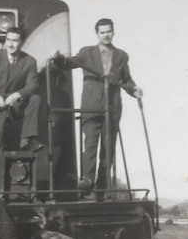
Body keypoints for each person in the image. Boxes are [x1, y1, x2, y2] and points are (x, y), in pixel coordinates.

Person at [52, 18, 143, 195]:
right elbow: (69, 63)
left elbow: (126, 80)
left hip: (112, 108)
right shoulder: (86, 53)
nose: (106, 35)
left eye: (108, 31)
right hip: (91, 107)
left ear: (113, 32)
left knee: (108, 148)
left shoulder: (121, 56)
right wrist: (57, 58)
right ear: (97, 34)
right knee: (90, 144)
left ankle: (102, 185)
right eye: (102, 32)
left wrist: (134, 90)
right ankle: (87, 180)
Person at [0, 26, 43, 191]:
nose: (11, 44)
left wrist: (17, 95)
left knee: (35, 98)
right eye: (8, 40)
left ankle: (27, 138)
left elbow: (33, 84)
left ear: (21, 42)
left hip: (13, 105)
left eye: (15, 40)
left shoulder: (29, 61)